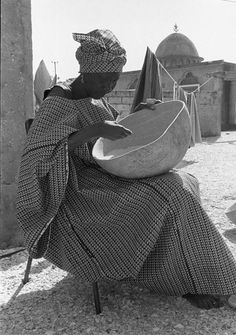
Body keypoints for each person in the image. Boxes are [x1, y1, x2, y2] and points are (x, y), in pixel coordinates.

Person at [16, 29, 236, 310]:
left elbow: (114, 132)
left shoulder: (95, 96)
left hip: (105, 175)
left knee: (184, 181)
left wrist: (140, 112)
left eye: (115, 78)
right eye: (106, 79)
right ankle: (197, 279)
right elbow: (35, 157)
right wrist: (91, 131)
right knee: (169, 194)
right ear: (86, 73)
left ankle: (187, 273)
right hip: (75, 192)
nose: (111, 85)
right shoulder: (58, 100)